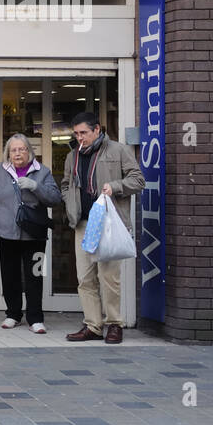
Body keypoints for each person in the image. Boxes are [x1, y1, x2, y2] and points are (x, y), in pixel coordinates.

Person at [59, 112, 145, 344]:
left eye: (84, 133)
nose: (80, 138)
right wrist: (70, 204)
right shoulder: (72, 156)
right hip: (83, 223)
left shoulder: (117, 150)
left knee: (109, 278)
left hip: (108, 223)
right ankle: (93, 326)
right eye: (76, 134)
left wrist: (115, 186)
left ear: (97, 130)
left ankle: (114, 324)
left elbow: (138, 180)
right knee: (85, 279)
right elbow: (66, 184)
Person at [0, 133, 64, 334]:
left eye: (22, 149)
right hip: (7, 234)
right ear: (8, 153)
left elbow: (54, 198)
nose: (18, 153)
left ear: (29, 151)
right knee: (10, 275)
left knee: (35, 275)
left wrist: (36, 186)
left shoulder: (42, 172)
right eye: (14, 150)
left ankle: (35, 317)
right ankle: (13, 314)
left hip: (35, 235)